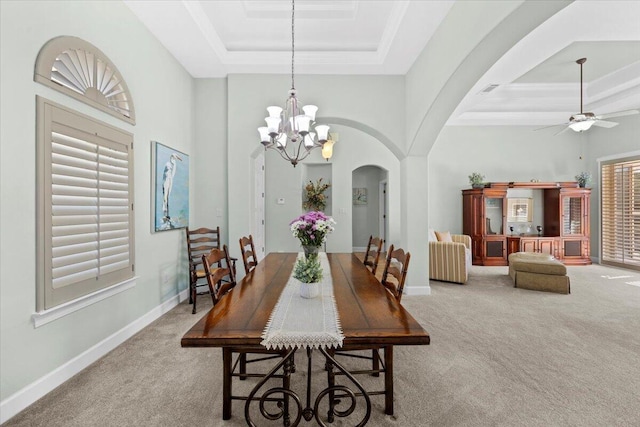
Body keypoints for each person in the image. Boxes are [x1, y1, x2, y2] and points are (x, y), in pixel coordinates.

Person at [162, 153, 182, 221]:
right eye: (176, 157)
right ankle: (165, 214)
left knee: (168, 197)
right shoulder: (168, 165)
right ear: (173, 157)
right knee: (166, 197)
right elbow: (166, 176)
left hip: (170, 180)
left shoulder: (172, 165)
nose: (177, 158)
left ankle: (167, 214)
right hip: (167, 182)